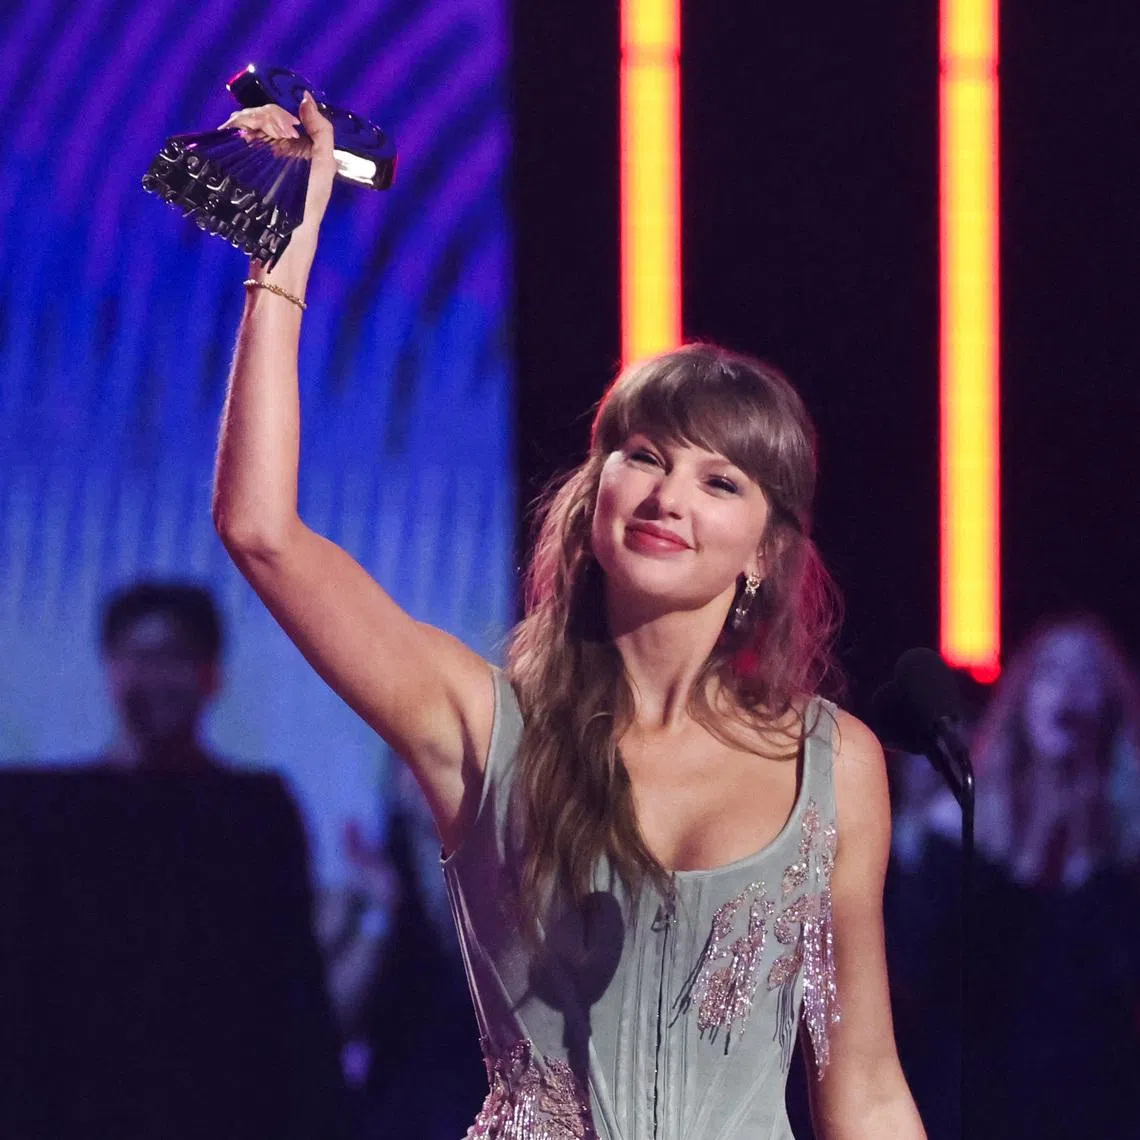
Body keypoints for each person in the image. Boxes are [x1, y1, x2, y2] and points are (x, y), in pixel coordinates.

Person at [212, 94, 925, 1139]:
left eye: (720, 481)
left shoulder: (835, 762)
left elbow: (862, 1085)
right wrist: (280, 256)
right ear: (595, 496)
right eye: (644, 457)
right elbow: (262, 530)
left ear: (767, 553)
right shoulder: (480, 724)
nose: (669, 497)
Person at [885, 616, 1140, 1140]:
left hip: (1093, 1102)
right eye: (1053, 673)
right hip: (970, 1101)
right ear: (1024, 694)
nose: (1069, 691)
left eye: (1086, 677)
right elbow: (914, 967)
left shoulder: (1124, 846)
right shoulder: (954, 826)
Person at [97, 579, 226, 770]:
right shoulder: (59, 788)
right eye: (144, 658)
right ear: (111, 667)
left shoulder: (257, 789)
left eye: (177, 657)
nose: (159, 678)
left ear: (211, 674)